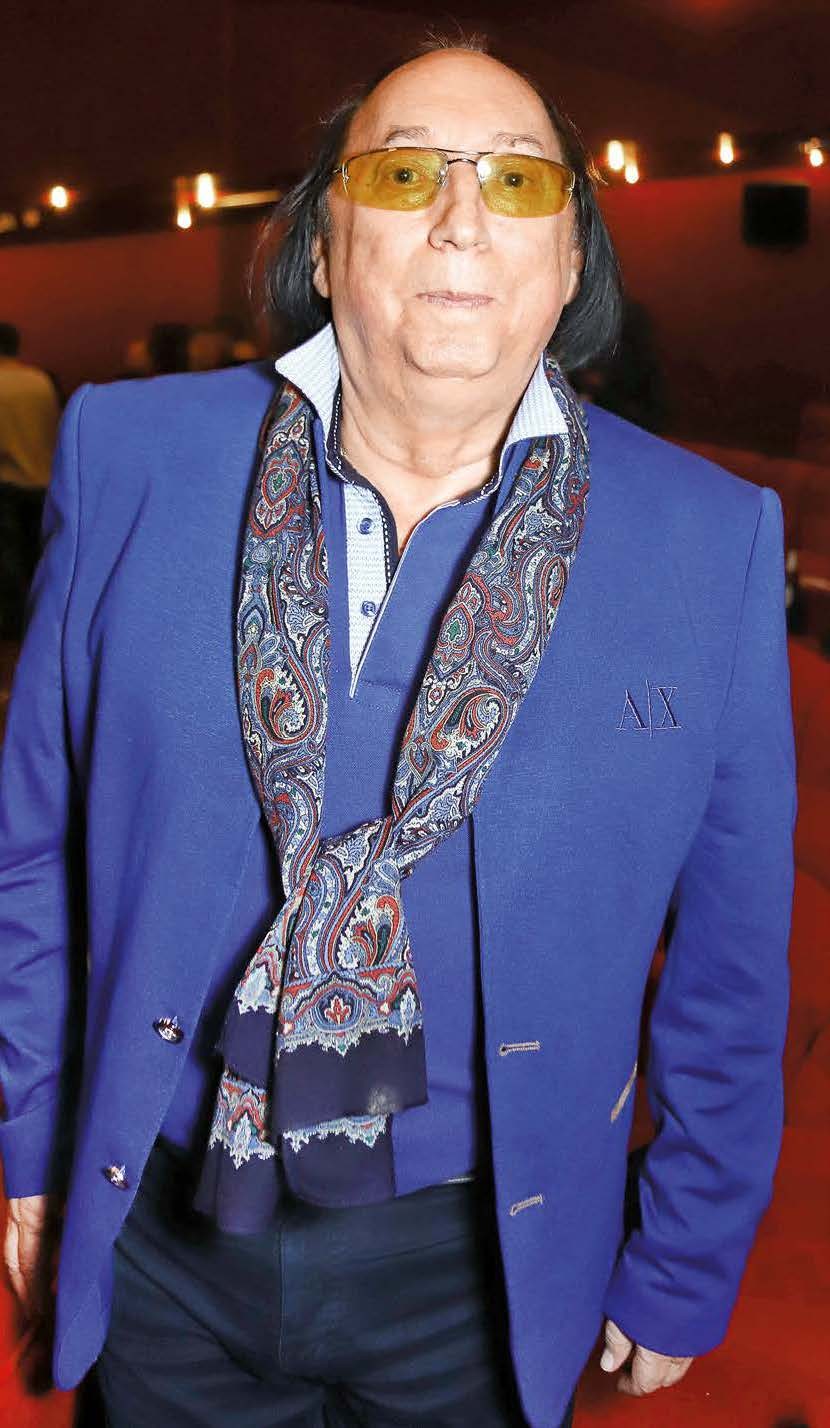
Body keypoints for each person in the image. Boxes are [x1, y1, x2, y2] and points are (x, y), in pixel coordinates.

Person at [0, 35, 796, 1428]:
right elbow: (33, 845)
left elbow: (729, 956)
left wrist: (686, 1248)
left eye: (518, 182)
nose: (462, 215)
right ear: (322, 245)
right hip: (163, 1229)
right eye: (406, 173)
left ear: (569, 261)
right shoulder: (132, 458)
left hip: (480, 1261)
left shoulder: (707, 541)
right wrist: (29, 1131)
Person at [0, 322, 60, 638]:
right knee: (40, 561)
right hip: (44, 480)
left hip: (7, 483)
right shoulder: (39, 379)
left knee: (9, 566)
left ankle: (13, 631)